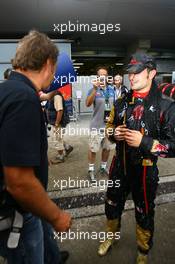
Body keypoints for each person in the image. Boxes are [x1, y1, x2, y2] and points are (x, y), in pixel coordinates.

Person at [0, 30, 71, 264]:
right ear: (49, 63)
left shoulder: (7, 90)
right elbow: (19, 182)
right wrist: (58, 216)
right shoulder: (24, 99)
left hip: (18, 211)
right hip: (18, 216)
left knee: (46, 241)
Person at [97, 52, 175, 264]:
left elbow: (173, 146)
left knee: (144, 211)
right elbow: (109, 128)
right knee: (111, 204)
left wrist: (145, 142)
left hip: (145, 171)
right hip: (118, 166)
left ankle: (143, 250)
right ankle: (111, 236)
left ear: (151, 73)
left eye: (137, 72)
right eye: (129, 73)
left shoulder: (166, 105)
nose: (131, 77)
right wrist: (114, 134)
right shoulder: (122, 101)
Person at [86, 67, 115, 181]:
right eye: (100, 75)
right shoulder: (93, 89)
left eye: (105, 75)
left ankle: (103, 167)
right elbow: (87, 104)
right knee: (93, 149)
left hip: (109, 126)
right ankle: (91, 170)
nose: (103, 77)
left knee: (107, 148)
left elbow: (115, 107)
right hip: (96, 126)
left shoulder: (112, 90)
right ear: (98, 77)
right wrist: (94, 89)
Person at [47, 90, 73, 163]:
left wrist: (56, 123)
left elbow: (60, 110)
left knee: (57, 139)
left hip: (58, 122)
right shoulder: (52, 95)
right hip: (55, 121)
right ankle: (67, 147)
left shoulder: (56, 96)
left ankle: (61, 157)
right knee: (57, 137)